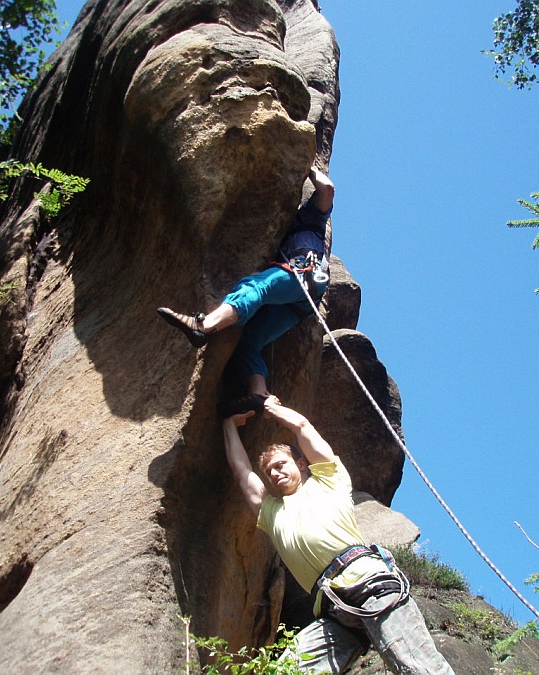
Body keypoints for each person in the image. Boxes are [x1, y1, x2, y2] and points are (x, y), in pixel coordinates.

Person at [222, 397, 456, 675]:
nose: (275, 472)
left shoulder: (328, 480)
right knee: (287, 671)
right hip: (333, 607)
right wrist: (228, 425)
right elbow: (242, 472)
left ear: (301, 463)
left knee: (417, 667)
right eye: (269, 470)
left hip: (370, 583)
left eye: (280, 464)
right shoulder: (272, 512)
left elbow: (302, 425)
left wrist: (273, 409)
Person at [157, 166, 335, 417]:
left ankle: (204, 326)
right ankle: (259, 396)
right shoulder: (290, 229)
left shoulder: (311, 219)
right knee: (249, 343)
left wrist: (309, 167)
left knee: (255, 287)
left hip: (302, 275)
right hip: (300, 304)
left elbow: (327, 189)